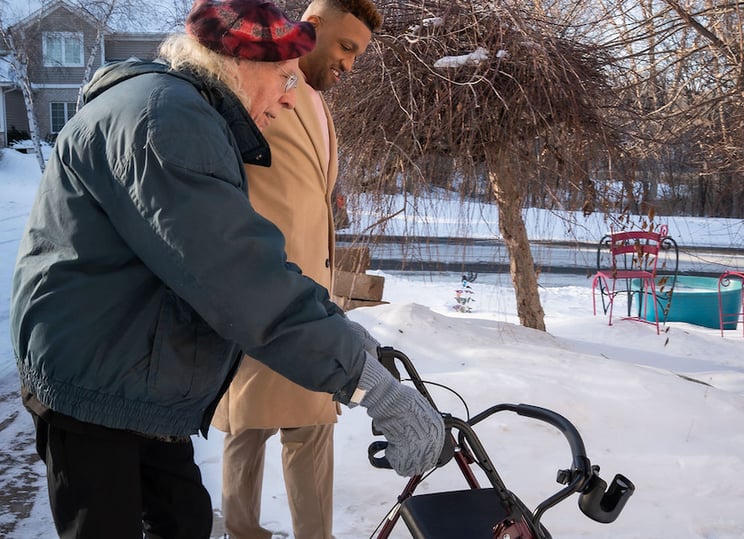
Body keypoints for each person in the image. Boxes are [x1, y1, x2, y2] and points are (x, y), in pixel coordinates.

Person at [9, 1, 445, 538]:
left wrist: (348, 340)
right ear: (237, 62)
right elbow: (240, 277)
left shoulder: (181, 111)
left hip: (134, 371)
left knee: (185, 521)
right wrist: (372, 385)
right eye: (285, 77)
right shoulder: (168, 123)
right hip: (96, 382)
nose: (290, 97)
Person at [211, 1, 382, 538]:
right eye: (346, 48)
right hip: (264, 292)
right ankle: (243, 531)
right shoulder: (254, 87)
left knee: (307, 425)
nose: (350, 66)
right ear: (312, 27)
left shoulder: (320, 106)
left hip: (310, 298)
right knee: (249, 424)